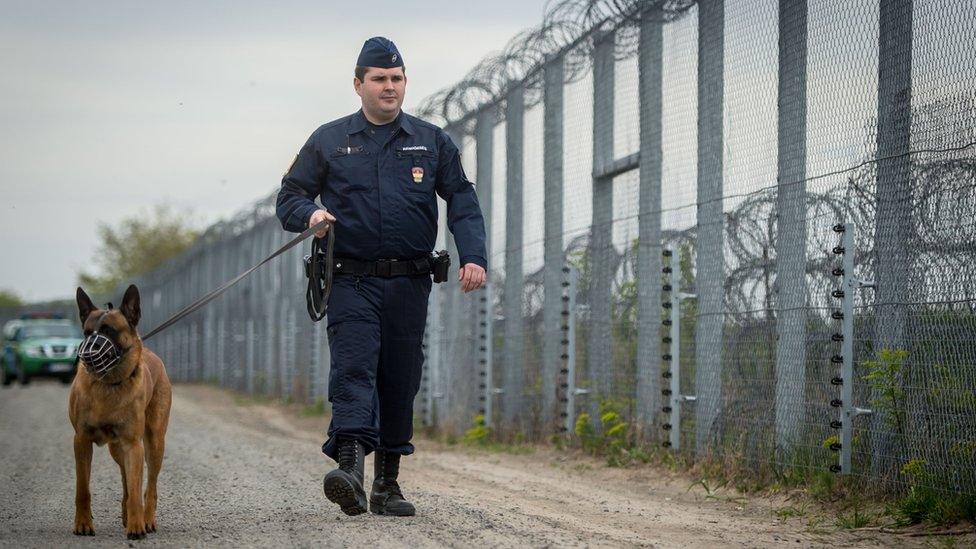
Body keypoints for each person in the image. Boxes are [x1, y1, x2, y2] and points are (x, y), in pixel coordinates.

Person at [275, 36, 487, 517]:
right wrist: (310, 214)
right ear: (358, 85)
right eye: (379, 79)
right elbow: (288, 198)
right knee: (353, 368)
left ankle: (386, 485)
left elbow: (463, 201)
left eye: (396, 79)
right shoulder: (329, 140)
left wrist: (473, 256)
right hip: (350, 279)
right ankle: (349, 469)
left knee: (400, 378)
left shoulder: (432, 141)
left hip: (411, 281)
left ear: (405, 82)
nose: (389, 87)